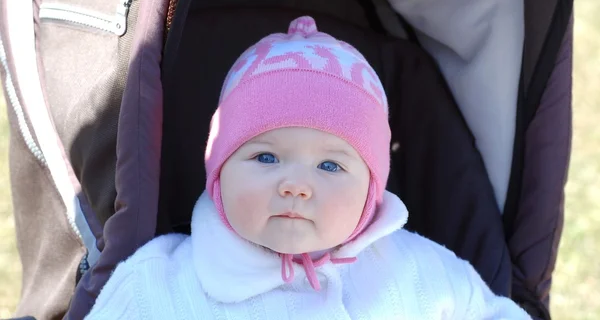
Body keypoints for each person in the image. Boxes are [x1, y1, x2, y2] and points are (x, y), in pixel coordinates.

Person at [85, 16, 530, 319]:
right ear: (217, 171)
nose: (296, 184)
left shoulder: (423, 273)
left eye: (331, 166)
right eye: (266, 157)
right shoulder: (158, 283)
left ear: (372, 190)